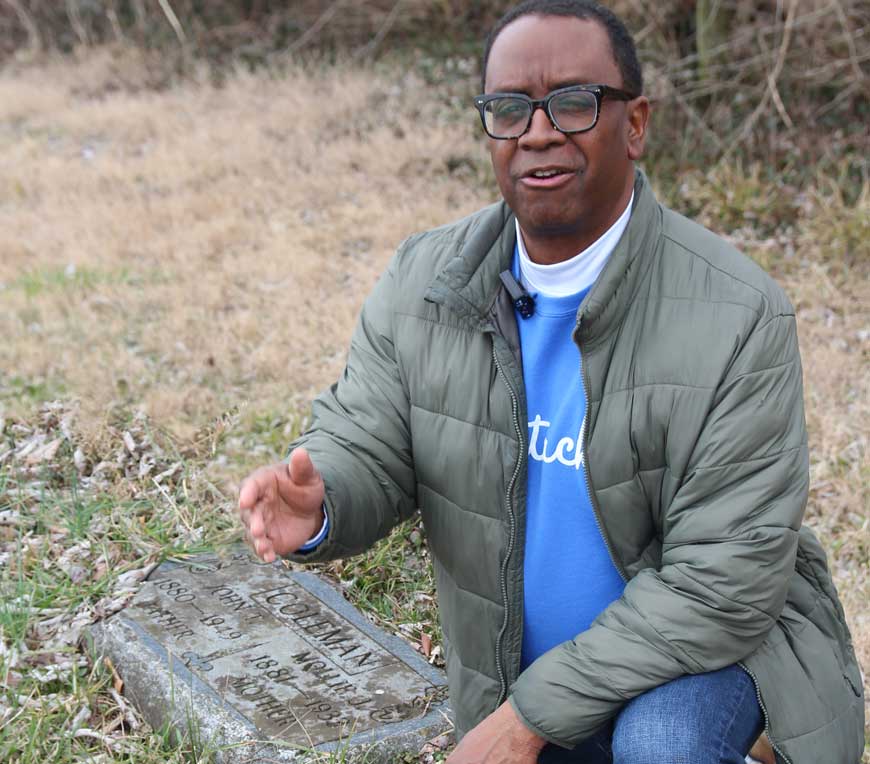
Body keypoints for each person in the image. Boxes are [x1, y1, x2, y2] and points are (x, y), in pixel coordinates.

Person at [238, 1, 864, 762]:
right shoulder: (426, 280)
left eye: (573, 103)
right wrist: (323, 500)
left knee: (663, 745)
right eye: (509, 109)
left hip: (705, 662)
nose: (538, 131)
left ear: (634, 125)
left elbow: (719, 586)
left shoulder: (738, 314)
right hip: (518, 675)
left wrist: (525, 720)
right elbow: (369, 438)